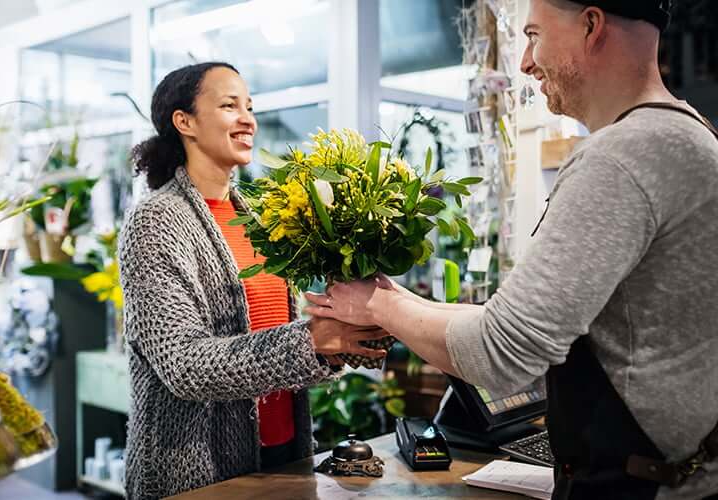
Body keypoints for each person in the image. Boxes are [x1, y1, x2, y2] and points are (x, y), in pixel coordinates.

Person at [305, 1, 718, 498]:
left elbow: (502, 354)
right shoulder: (692, 135)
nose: (525, 61)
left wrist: (374, 304)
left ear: (591, 25)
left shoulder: (621, 157)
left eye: (534, 35)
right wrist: (399, 299)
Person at [118, 62, 388, 499]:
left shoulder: (262, 220)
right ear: (184, 122)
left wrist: (343, 342)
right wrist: (313, 340)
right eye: (229, 105)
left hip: (284, 452)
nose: (248, 119)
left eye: (249, 106)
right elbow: (183, 365)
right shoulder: (156, 221)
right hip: (195, 471)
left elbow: (275, 340)